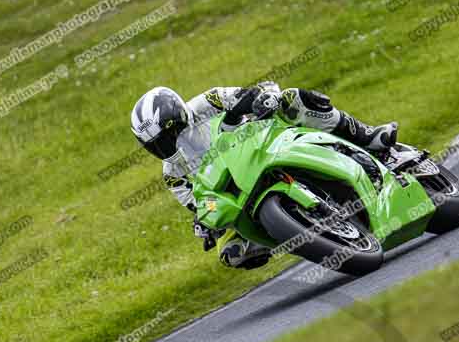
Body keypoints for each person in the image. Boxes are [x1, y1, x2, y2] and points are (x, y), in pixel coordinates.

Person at [130, 82, 397, 269]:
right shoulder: (172, 174)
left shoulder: (207, 101)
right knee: (233, 254)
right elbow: (199, 203)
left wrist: (263, 99)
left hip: (262, 143)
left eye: (168, 134)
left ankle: (367, 136)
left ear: (180, 115)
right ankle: (296, 229)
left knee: (294, 99)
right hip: (240, 193)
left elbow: (250, 93)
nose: (166, 145)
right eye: (156, 144)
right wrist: (205, 224)